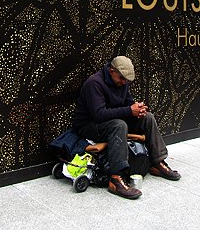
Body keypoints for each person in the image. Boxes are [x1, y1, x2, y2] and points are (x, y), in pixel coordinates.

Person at [72, 56, 181, 199]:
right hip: (89, 125)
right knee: (119, 125)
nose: (124, 82)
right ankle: (116, 178)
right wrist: (129, 110)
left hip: (112, 120)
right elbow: (99, 114)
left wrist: (137, 109)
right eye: (122, 78)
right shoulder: (94, 83)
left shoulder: (122, 82)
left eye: (127, 80)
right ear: (111, 71)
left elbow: (127, 103)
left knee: (148, 117)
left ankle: (157, 162)